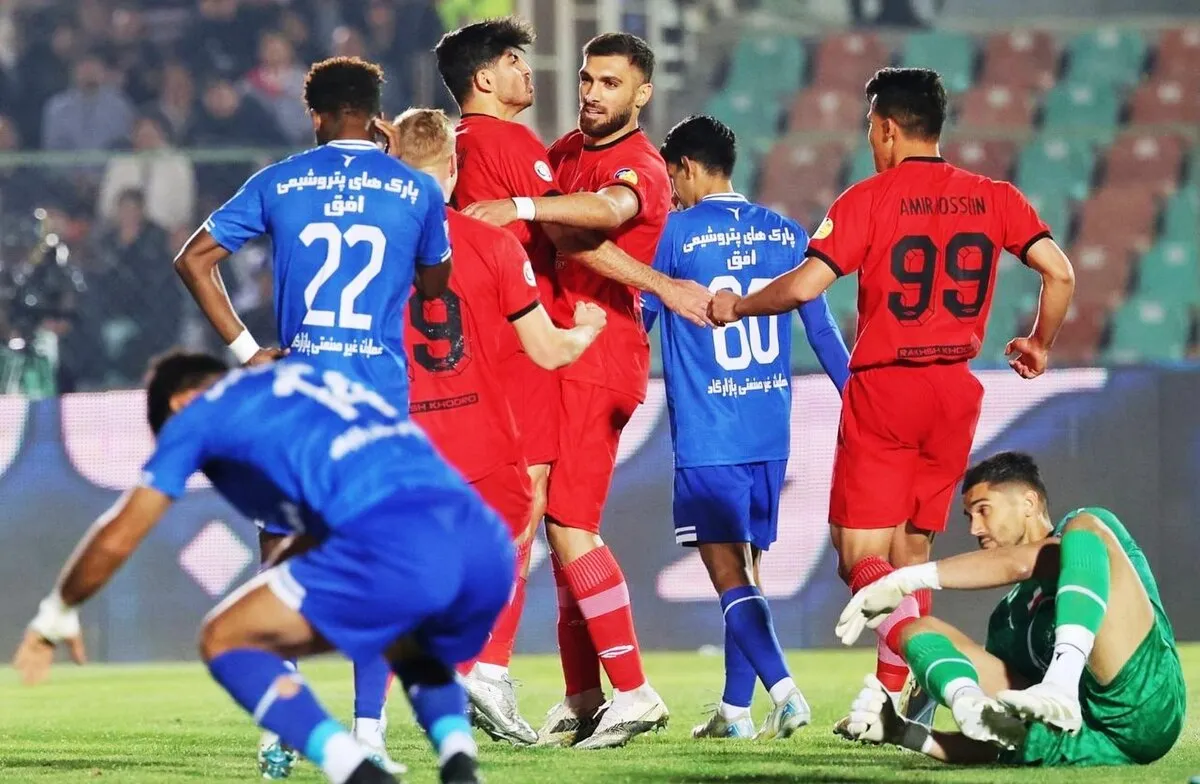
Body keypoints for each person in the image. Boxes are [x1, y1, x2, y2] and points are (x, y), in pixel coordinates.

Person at [709, 67, 1077, 722]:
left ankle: (948, 683)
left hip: (888, 386)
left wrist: (737, 305)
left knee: (861, 559)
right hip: (955, 391)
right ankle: (890, 697)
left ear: (884, 128)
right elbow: (1061, 272)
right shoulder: (994, 196)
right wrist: (1040, 342)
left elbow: (803, 287)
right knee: (912, 556)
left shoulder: (868, 198)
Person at [12, 353, 516, 784]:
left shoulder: (198, 412)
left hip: (390, 539)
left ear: (178, 403)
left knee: (227, 639)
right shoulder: (313, 383)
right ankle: (459, 759)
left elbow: (123, 530)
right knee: (398, 627)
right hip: (485, 545)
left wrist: (58, 608)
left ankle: (356, 771)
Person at [433, 19, 709, 741]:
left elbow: (596, 221)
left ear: (641, 95)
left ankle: (630, 691)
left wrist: (525, 208)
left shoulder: (641, 165)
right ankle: (583, 696)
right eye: (587, 78)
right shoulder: (554, 153)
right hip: (554, 350)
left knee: (565, 523)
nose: (591, 92)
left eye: (610, 83)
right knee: (556, 525)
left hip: (599, 351)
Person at [174, 56, 450, 775]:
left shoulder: (280, 181)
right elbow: (435, 285)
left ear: (316, 116)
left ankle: (279, 733)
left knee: (278, 561)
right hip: (376, 403)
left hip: (297, 401)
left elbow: (194, 260)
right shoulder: (416, 189)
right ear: (375, 113)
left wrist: (246, 352)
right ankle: (371, 731)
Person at [377, 107, 608, 745]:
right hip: (479, 436)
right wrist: (587, 327)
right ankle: (478, 674)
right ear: (453, 168)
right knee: (505, 545)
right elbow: (549, 351)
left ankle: (388, 708)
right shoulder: (494, 245)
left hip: (402, 438)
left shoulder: (372, 249)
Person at [643, 114, 851, 741]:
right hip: (769, 432)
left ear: (686, 168)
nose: (672, 193)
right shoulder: (785, 232)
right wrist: (858, 399)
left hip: (710, 432)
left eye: (672, 179)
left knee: (728, 575)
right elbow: (822, 331)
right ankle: (734, 712)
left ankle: (785, 693)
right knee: (748, 571)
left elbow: (638, 322)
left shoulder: (673, 234)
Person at [833, 451, 1185, 768]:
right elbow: (995, 743)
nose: (975, 528)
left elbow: (1022, 563)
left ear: (1029, 502)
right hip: (1074, 741)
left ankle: (1061, 683)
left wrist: (906, 579)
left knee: (1086, 526)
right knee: (919, 628)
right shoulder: (1006, 622)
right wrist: (905, 733)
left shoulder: (1086, 536)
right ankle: (966, 699)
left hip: (1147, 710)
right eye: (969, 516)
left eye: (983, 509)